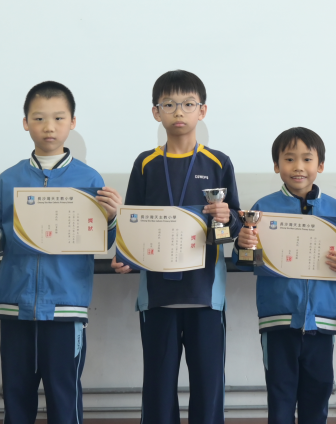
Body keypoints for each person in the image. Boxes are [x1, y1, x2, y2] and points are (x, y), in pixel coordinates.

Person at [0, 81, 122, 424]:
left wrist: (113, 217)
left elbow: (102, 242)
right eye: (39, 118)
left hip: (65, 307)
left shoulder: (90, 179)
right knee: (16, 396)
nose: (49, 127)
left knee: (63, 396)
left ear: (73, 122)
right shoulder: (8, 180)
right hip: (15, 306)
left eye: (58, 118)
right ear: (26, 123)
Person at [111, 70, 241, 424]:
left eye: (188, 104)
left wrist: (227, 217)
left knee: (209, 386)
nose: (179, 111)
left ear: (203, 110)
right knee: (157, 386)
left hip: (205, 294)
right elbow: (132, 223)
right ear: (156, 112)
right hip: (157, 295)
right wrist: (126, 258)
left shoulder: (219, 162)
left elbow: (235, 225)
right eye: (169, 104)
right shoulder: (146, 163)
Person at [234, 127, 336, 424]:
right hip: (278, 319)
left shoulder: (335, 208)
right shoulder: (263, 208)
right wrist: (243, 245)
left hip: (322, 321)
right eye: (289, 159)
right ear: (276, 165)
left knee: (318, 394)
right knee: (280, 396)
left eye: (307, 159)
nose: (298, 167)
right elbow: (244, 262)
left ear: (321, 165)